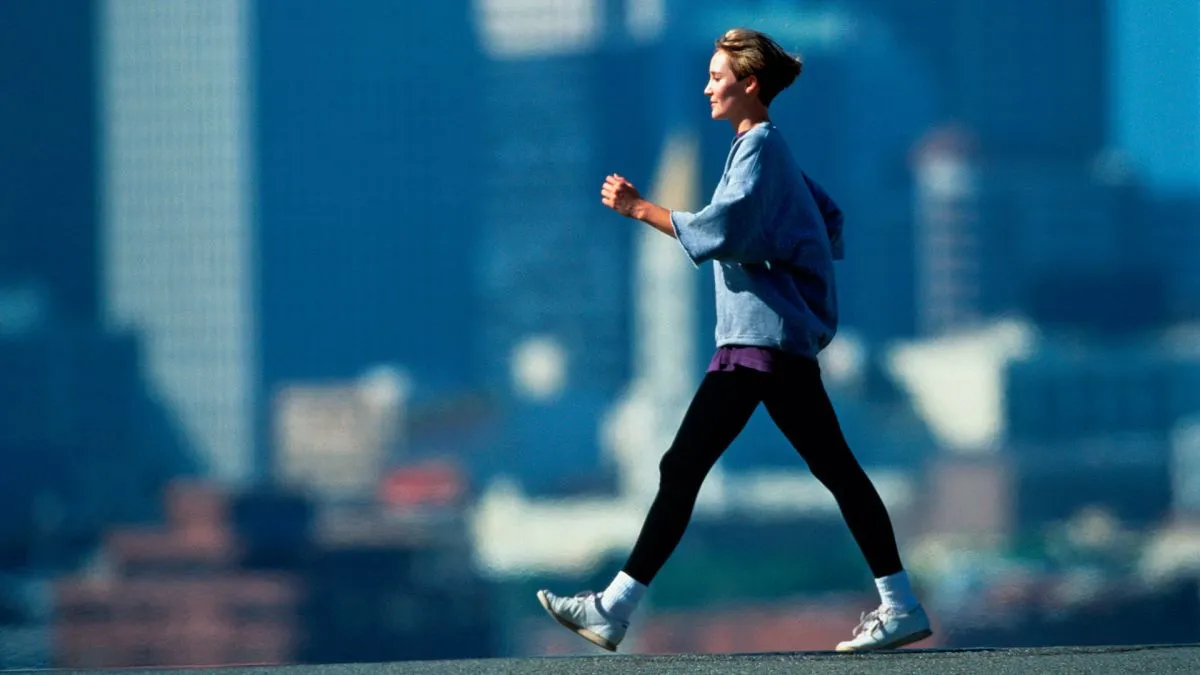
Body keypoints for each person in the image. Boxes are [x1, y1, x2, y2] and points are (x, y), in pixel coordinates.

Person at [536, 28, 933, 654]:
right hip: (771, 341)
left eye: (718, 78)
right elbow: (824, 217)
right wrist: (797, 262)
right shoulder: (763, 150)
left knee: (684, 465)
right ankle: (900, 603)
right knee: (832, 470)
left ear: (749, 85)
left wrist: (640, 208)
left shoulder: (760, 150)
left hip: (758, 345)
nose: (707, 87)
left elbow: (725, 228)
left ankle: (612, 608)